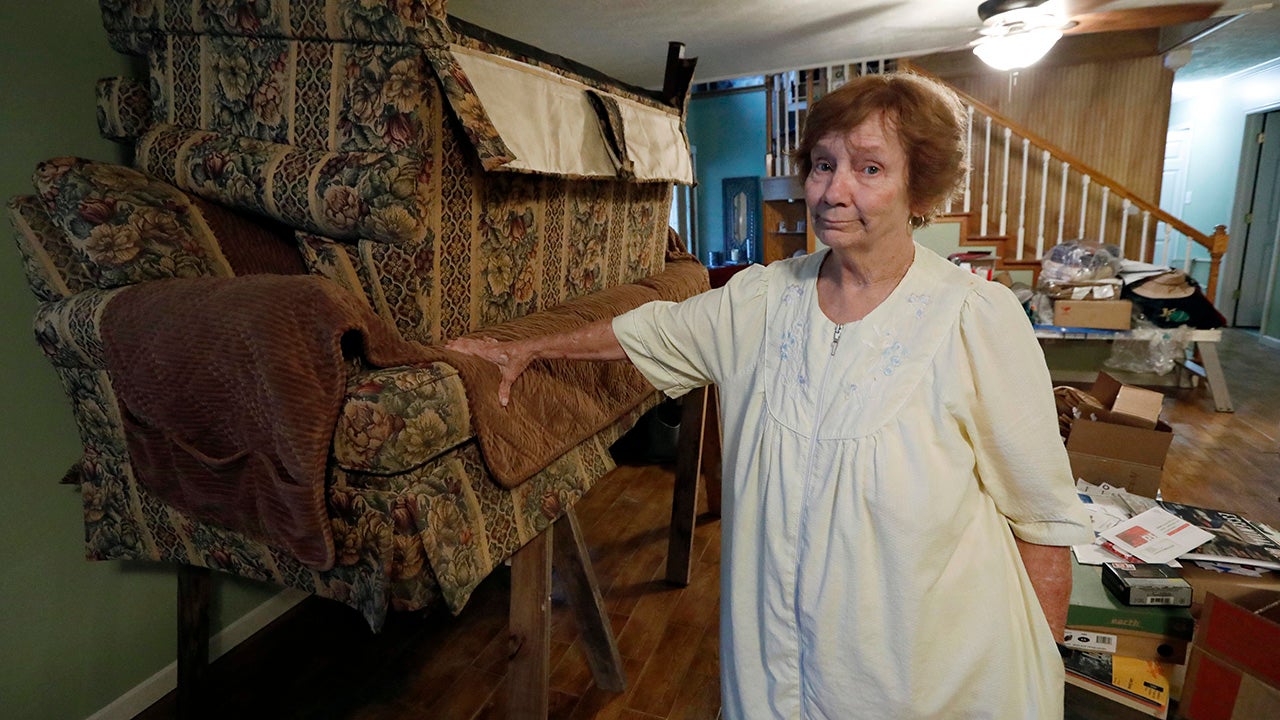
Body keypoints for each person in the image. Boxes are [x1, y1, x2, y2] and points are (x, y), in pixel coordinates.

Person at [449, 72, 1093, 719]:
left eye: (869, 168)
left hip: (930, 686)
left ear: (919, 187)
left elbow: (1043, 523)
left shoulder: (974, 318)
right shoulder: (760, 300)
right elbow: (647, 330)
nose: (833, 191)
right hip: (776, 679)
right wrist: (526, 347)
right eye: (823, 165)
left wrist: (1042, 670)